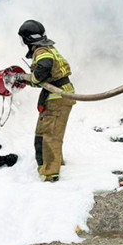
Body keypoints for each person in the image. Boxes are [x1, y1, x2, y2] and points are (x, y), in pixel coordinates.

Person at [18, 20, 76, 182]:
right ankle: (55, 163)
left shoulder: (41, 50)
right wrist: (24, 79)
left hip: (58, 96)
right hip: (60, 93)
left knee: (48, 134)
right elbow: (43, 78)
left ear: (27, 39)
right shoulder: (48, 48)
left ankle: (49, 173)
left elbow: (44, 68)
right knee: (50, 132)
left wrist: (31, 77)